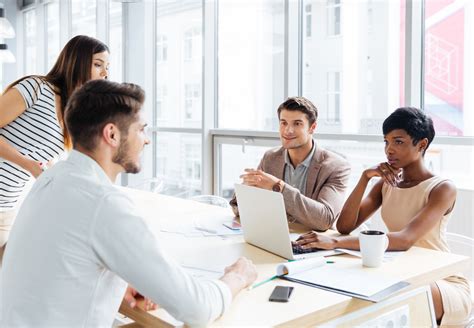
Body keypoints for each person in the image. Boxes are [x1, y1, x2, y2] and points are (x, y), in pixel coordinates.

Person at [0, 80, 257, 327]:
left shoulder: (54, 178)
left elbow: (58, 259)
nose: (147, 140)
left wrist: (119, 280)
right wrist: (236, 277)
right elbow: (197, 309)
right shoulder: (105, 203)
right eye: (141, 129)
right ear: (112, 134)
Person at [294, 107, 471, 326]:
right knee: (359, 291)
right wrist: (365, 177)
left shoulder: (442, 188)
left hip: (439, 283)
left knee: (391, 296)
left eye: (398, 142)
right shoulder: (386, 184)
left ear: (422, 144)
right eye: (386, 142)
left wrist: (334, 242)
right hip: (399, 273)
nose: (389, 150)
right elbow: (345, 225)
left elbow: (405, 239)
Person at [0, 35, 110, 261]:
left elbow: (40, 155)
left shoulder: (73, 113)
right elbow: (29, 160)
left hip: (7, 205)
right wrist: (28, 165)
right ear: (76, 61)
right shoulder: (36, 88)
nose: (104, 73)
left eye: (107, 67)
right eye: (98, 64)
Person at [230, 97, 350, 231]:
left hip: (313, 242)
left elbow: (325, 220)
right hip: (274, 235)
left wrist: (279, 187)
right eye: (284, 123)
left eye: (297, 124)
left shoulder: (335, 166)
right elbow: (241, 209)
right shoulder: (271, 158)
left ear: (312, 127)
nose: (288, 130)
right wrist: (245, 192)